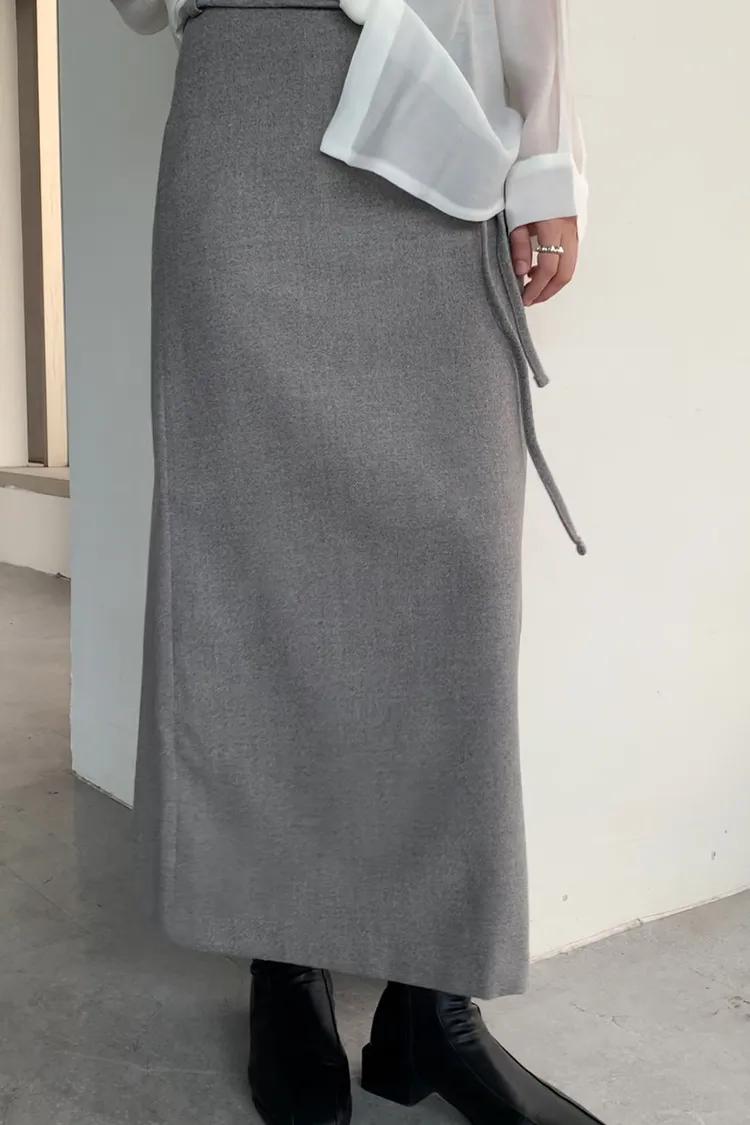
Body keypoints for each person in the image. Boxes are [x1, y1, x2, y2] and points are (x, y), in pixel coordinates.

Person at [111, 1, 604, 1123]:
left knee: (460, 581)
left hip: (448, 113)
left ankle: (433, 1006)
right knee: (252, 562)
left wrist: (547, 162)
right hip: (251, 92)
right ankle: (283, 965)